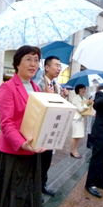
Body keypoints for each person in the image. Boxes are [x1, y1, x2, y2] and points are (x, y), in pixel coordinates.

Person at [0, 45, 48, 207]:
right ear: (17, 63)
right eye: (28, 59)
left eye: (36, 60)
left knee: (24, 192)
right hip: (13, 151)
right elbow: (6, 123)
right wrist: (21, 143)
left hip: (32, 150)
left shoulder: (37, 88)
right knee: (8, 197)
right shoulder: (8, 87)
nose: (33, 64)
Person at [37, 55, 67, 197]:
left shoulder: (57, 85)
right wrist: (44, 95)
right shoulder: (38, 83)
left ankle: (43, 185)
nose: (59, 68)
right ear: (47, 67)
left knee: (47, 159)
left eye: (60, 66)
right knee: (37, 161)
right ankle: (34, 191)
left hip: (51, 128)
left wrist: (63, 98)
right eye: (56, 65)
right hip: (39, 127)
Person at [70, 84, 93, 159]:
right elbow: (80, 109)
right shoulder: (75, 98)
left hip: (81, 119)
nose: (84, 90)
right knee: (75, 136)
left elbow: (88, 108)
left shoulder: (84, 98)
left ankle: (75, 150)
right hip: (76, 119)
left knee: (79, 136)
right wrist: (87, 104)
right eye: (82, 89)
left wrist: (90, 103)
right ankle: (72, 151)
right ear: (78, 90)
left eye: (84, 88)